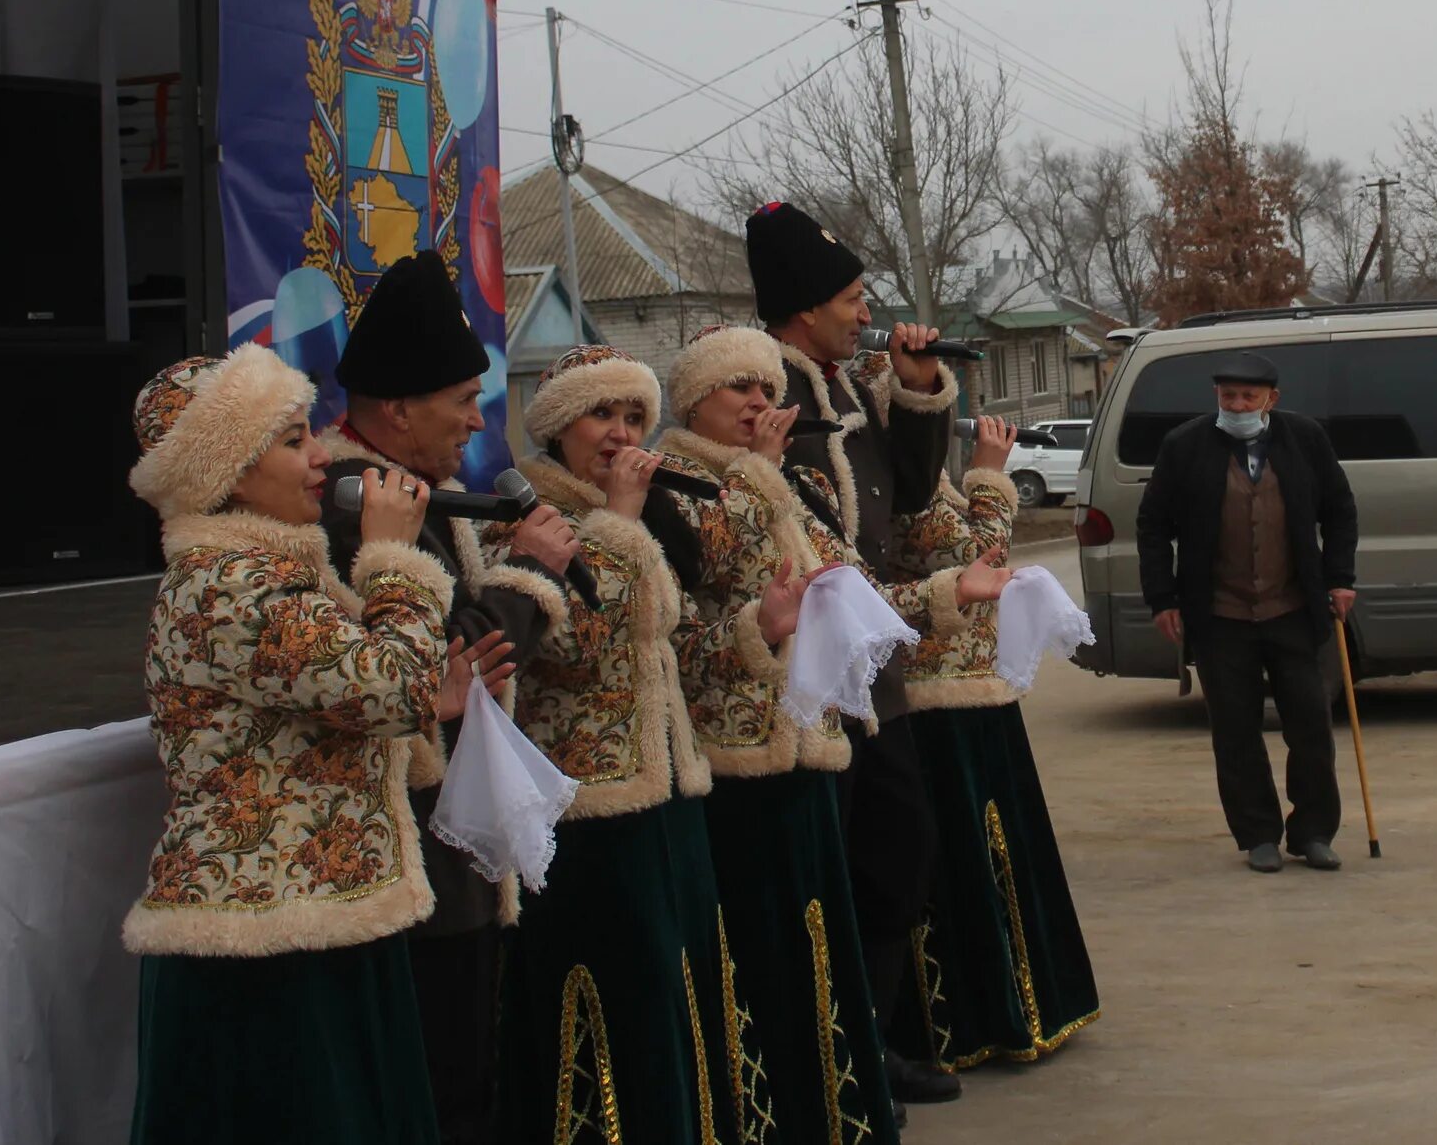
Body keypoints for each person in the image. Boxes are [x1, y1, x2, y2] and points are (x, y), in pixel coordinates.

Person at [121, 344, 508, 1145]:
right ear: (225, 467)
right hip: (268, 941)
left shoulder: (268, 575)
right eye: (293, 439)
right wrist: (395, 556)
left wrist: (416, 694)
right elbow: (385, 679)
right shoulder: (229, 581)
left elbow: (366, 693)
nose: (321, 456)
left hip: (312, 921)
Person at [641, 322, 1003, 1144]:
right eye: (740, 390)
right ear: (697, 400)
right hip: (737, 744)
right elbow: (710, 570)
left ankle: (851, 1055)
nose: (759, 404)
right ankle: (780, 1089)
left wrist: (951, 588)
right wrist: (761, 475)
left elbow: (853, 586)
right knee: (764, 928)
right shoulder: (673, 479)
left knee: (879, 873)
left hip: (824, 727)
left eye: (768, 390)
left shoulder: (790, 482)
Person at [317, 248, 579, 1145]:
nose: (477, 418)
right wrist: (534, 575)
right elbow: (453, 657)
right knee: (441, 1081)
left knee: (472, 1071)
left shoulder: (414, 494)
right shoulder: (354, 506)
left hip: (454, 833)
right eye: (462, 400)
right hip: (412, 832)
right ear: (396, 407)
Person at [742, 199, 971, 1108]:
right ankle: (838, 1056)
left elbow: (908, 496)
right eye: (851, 295)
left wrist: (915, 390)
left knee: (895, 844)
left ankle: (871, 1039)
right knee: (841, 856)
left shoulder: (843, 384)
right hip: (821, 664)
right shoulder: (771, 390)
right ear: (804, 308)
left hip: (873, 657)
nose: (864, 310)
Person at [492, 344, 731, 1145]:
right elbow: (579, 646)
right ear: (560, 426)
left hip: (668, 790)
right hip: (585, 806)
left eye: (635, 415)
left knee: (681, 991)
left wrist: (759, 632)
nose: (622, 433)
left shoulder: (631, 514)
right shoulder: (530, 523)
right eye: (603, 414)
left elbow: (674, 636)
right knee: (612, 1002)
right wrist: (621, 523)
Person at [885, 418, 1101, 1071]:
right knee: (963, 859)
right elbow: (974, 555)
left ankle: (1026, 1003)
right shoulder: (904, 491)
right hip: (933, 698)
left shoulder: (931, 485)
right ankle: (974, 1018)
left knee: (1002, 850)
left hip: (977, 691)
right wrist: (989, 473)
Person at [1138, 350, 1360, 873]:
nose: (1237, 404)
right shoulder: (1185, 445)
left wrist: (1340, 578)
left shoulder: (1304, 439)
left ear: (1271, 400)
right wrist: (1162, 598)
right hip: (1219, 614)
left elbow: (1340, 509)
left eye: (1248, 397)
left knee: (1309, 724)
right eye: (1227, 396)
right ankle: (1258, 834)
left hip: (1292, 607)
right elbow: (1153, 526)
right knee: (1235, 730)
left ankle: (1312, 832)